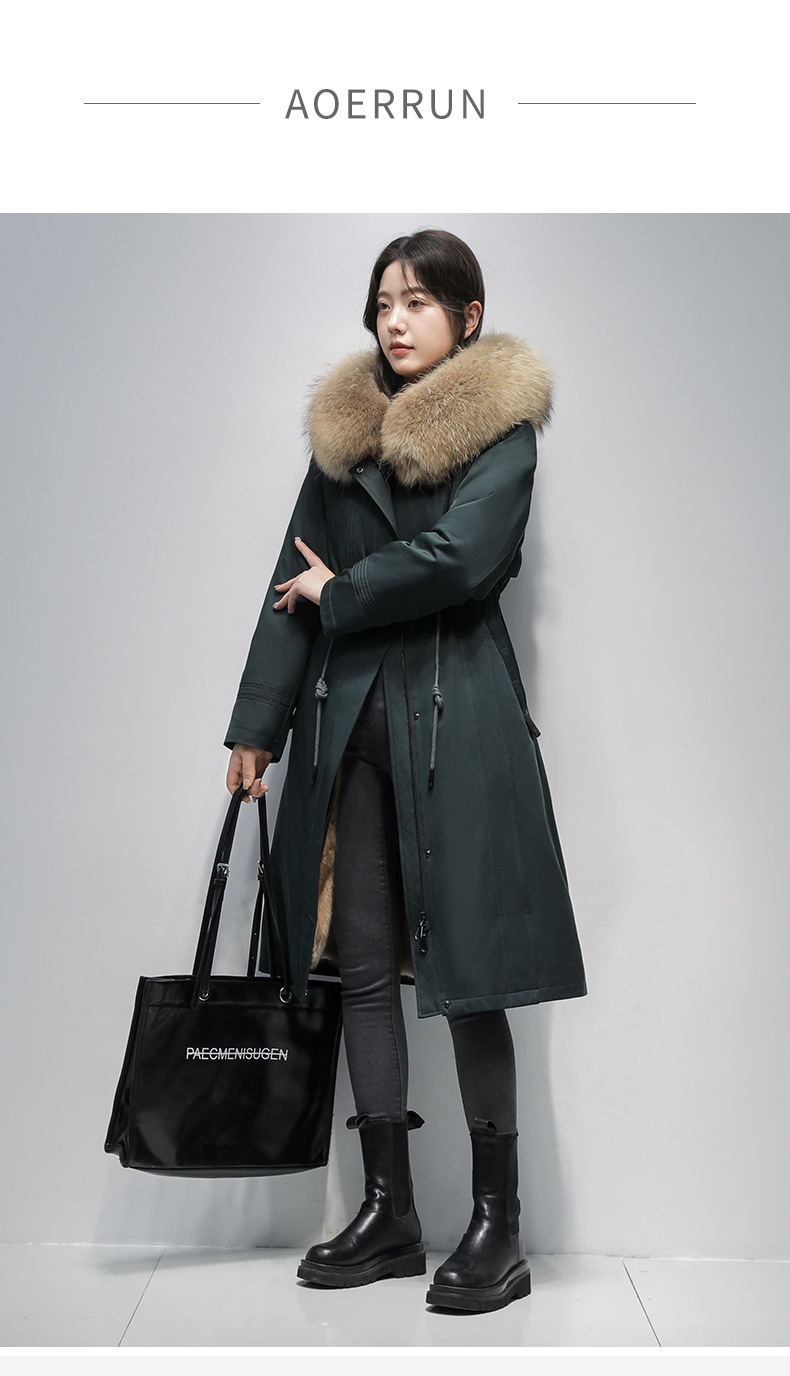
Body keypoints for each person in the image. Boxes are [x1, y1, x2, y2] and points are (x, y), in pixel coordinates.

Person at [225, 229, 586, 1313]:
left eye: (419, 300)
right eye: (383, 300)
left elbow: (463, 560)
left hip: (455, 726)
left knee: (471, 972)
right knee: (365, 967)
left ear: (467, 318)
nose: (395, 319)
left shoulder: (502, 431)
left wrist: (343, 591)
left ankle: (497, 1225)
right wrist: (256, 726)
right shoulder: (341, 442)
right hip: (348, 728)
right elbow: (287, 585)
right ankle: (388, 1211)